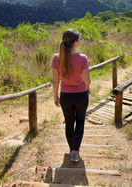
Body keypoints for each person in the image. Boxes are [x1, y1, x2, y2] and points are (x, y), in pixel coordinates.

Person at [51, 28, 90, 162]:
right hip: (81, 95)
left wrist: (55, 96)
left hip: (66, 96)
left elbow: (55, 81)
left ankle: (71, 148)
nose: (80, 40)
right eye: (79, 38)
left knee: (69, 123)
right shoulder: (83, 58)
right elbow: (87, 81)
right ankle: (75, 151)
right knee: (80, 122)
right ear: (75, 43)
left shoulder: (56, 58)